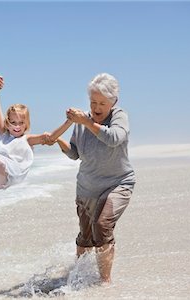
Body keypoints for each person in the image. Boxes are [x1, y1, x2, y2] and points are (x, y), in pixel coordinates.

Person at [52, 73, 136, 284]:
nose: (96, 107)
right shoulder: (82, 121)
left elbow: (115, 138)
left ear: (113, 102)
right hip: (87, 188)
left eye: (102, 103)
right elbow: (74, 153)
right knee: (86, 238)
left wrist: (87, 122)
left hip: (118, 183)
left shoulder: (119, 116)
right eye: (93, 102)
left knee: (102, 225)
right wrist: (57, 141)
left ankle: (105, 283)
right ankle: (77, 277)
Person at [0, 73, 73, 190]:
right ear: (8, 123)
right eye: (13, 123)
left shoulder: (27, 139)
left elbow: (51, 137)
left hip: (8, 174)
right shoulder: (5, 135)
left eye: (21, 123)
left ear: (26, 124)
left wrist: (69, 122)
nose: (17, 126)